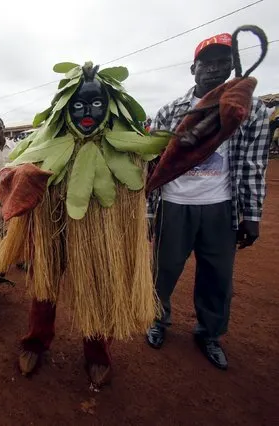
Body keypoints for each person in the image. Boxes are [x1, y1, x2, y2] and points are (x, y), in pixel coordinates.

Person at [0, 61, 163, 390]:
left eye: (96, 104)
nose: (88, 112)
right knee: (43, 292)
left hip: (99, 235)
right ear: (65, 107)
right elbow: (0, 189)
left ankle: (98, 354)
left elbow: (157, 172)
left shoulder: (129, 146)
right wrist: (14, 178)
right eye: (79, 104)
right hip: (53, 233)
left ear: (109, 106)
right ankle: (35, 343)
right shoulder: (40, 144)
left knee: (98, 291)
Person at [146, 33, 271, 371]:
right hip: (173, 204)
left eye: (222, 62)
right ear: (193, 69)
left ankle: (209, 334)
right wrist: (147, 214)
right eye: (207, 63)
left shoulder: (251, 109)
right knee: (163, 270)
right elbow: (152, 164)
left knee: (217, 277)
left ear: (232, 66)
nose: (215, 69)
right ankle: (157, 319)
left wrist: (252, 213)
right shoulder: (171, 110)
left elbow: (251, 163)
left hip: (221, 206)